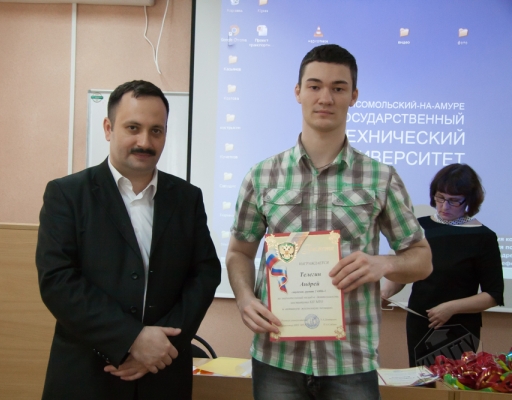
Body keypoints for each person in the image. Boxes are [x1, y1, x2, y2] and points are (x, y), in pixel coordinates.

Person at [226, 44, 433, 400]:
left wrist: (383, 263)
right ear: (298, 92)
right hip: (277, 357)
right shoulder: (261, 176)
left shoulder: (380, 177)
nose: (325, 98)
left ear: (353, 96)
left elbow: (422, 259)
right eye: (315, 86)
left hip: (350, 360)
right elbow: (239, 253)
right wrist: (244, 298)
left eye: (338, 88)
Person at [35, 80, 221, 400]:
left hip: (163, 376)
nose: (144, 142)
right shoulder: (67, 195)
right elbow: (58, 281)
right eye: (133, 128)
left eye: (156, 130)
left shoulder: (187, 198)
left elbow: (205, 274)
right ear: (108, 128)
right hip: (87, 377)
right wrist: (132, 338)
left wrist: (161, 345)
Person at [382, 164, 504, 367]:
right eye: (440, 198)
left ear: (469, 200)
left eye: (454, 201)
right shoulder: (419, 227)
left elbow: (493, 294)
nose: (444, 206)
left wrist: (451, 308)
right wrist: (384, 293)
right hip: (420, 323)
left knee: (450, 382)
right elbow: (405, 270)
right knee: (422, 381)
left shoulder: (483, 237)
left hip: (458, 327)